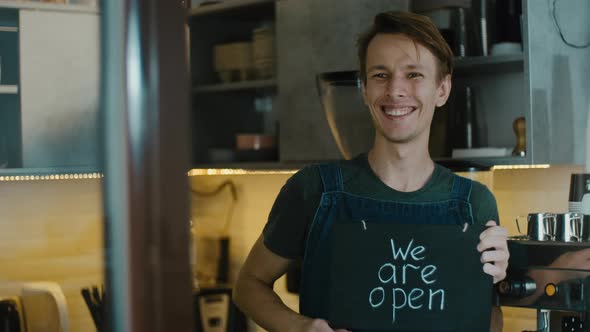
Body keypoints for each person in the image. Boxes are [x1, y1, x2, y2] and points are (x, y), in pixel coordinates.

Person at [234, 10, 509, 332]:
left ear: (442, 89)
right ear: (364, 88)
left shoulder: (474, 203)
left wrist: (497, 282)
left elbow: (489, 321)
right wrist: (302, 329)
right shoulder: (313, 189)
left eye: (414, 75)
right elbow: (249, 284)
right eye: (380, 75)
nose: (395, 90)